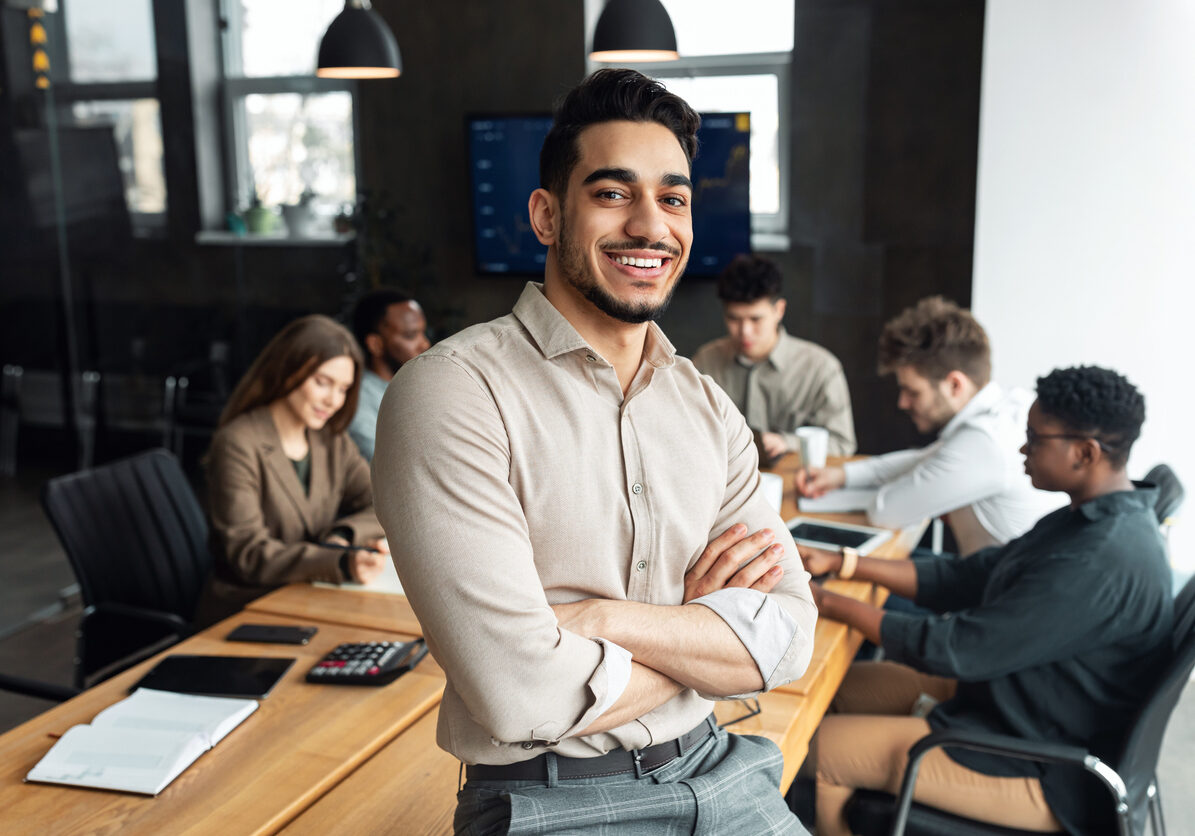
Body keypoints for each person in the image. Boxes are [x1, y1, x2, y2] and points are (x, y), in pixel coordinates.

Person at [374, 69, 817, 834]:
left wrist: (598, 620)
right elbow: (520, 694)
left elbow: (785, 642)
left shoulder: (708, 408)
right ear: (546, 216)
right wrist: (695, 627)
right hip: (553, 802)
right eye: (613, 193)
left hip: (721, 767)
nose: (650, 226)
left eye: (672, 198)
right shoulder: (452, 393)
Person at [802, 365, 1171, 836]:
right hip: (1013, 703)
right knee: (831, 689)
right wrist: (844, 563)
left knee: (816, 750)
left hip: (1041, 764)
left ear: (1085, 452)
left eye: (1036, 439)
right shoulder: (1094, 518)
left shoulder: (1098, 560)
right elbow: (973, 574)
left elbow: (955, 649)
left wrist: (830, 604)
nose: (1022, 448)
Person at [797, 296, 1059, 557]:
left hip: (993, 593)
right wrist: (842, 476)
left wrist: (888, 492)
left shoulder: (984, 442)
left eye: (912, 392)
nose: (902, 403)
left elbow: (886, 512)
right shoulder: (1007, 406)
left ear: (955, 385)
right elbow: (927, 458)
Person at [195, 314, 389, 625]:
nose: (333, 400)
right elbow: (248, 553)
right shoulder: (238, 442)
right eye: (323, 382)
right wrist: (338, 561)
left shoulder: (331, 439)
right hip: (246, 611)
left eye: (343, 389)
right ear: (288, 370)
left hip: (312, 598)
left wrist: (342, 535)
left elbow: (383, 501)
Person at [693, 254, 856, 460]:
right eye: (734, 319)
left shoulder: (821, 368)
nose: (745, 332)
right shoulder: (706, 361)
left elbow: (842, 443)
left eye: (755, 319)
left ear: (779, 310)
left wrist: (787, 442)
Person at [348, 289, 430, 461]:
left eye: (423, 332)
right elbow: (389, 465)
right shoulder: (358, 400)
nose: (424, 344)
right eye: (410, 335)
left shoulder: (421, 387)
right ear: (375, 344)